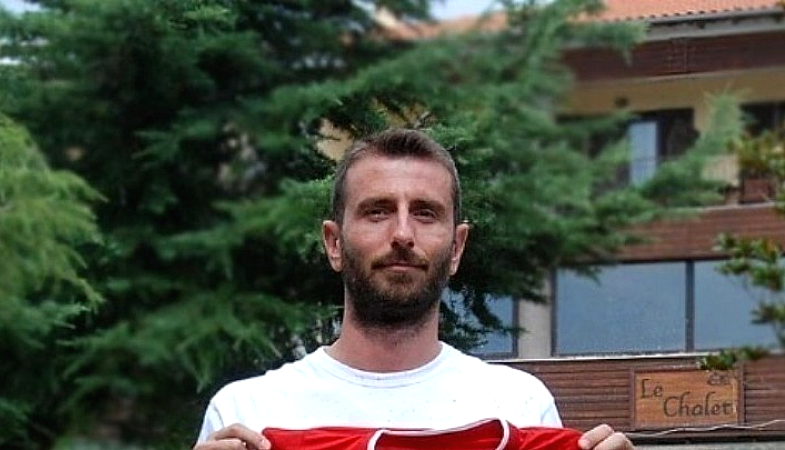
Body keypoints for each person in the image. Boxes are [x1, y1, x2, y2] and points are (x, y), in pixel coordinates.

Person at [194, 129, 634, 450]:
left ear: (457, 247)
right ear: (334, 243)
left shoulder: (520, 404)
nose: (403, 233)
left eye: (425, 213)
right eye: (377, 211)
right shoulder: (246, 414)